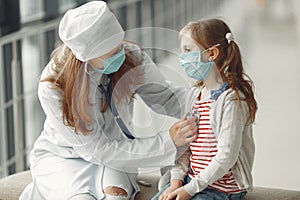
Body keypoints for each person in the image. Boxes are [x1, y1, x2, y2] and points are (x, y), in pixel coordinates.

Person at [19, 1, 198, 200]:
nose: (121, 54)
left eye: (120, 45)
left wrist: (211, 99)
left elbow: (165, 97)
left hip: (117, 153)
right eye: (112, 53)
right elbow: (98, 150)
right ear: (86, 57)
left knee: (116, 197)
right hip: (63, 157)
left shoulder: (130, 56)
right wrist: (168, 141)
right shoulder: (52, 87)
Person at [152, 18, 258, 200]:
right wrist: (176, 183)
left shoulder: (231, 100)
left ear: (212, 53)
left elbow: (226, 157)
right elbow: (185, 147)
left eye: (188, 50)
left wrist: (190, 190)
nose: (182, 56)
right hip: (191, 182)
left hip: (220, 191)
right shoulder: (195, 96)